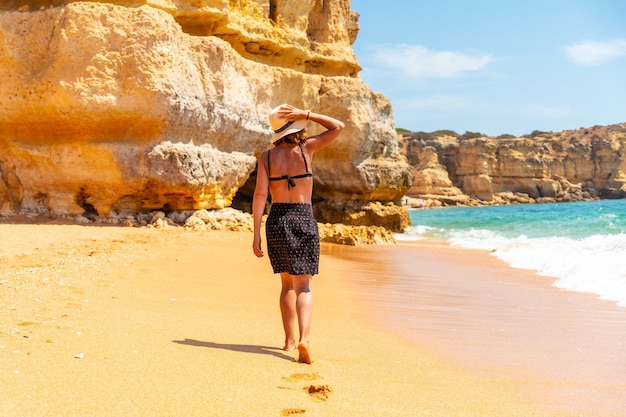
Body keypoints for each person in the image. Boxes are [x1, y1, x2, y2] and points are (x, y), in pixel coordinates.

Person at [252, 103, 344, 364]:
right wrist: (307, 115)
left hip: (277, 219)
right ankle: (304, 338)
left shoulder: (267, 158)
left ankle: (289, 341)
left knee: (286, 285)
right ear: (296, 127)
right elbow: (338, 127)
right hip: (303, 217)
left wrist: (256, 233)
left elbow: (260, 195)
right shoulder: (306, 149)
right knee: (304, 286)